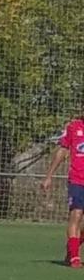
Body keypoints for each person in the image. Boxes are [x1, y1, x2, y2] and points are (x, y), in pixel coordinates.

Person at [40, 112, 84, 268]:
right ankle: (74, 258)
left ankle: (72, 248)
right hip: (77, 180)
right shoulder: (73, 127)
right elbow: (62, 151)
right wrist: (49, 176)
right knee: (76, 215)